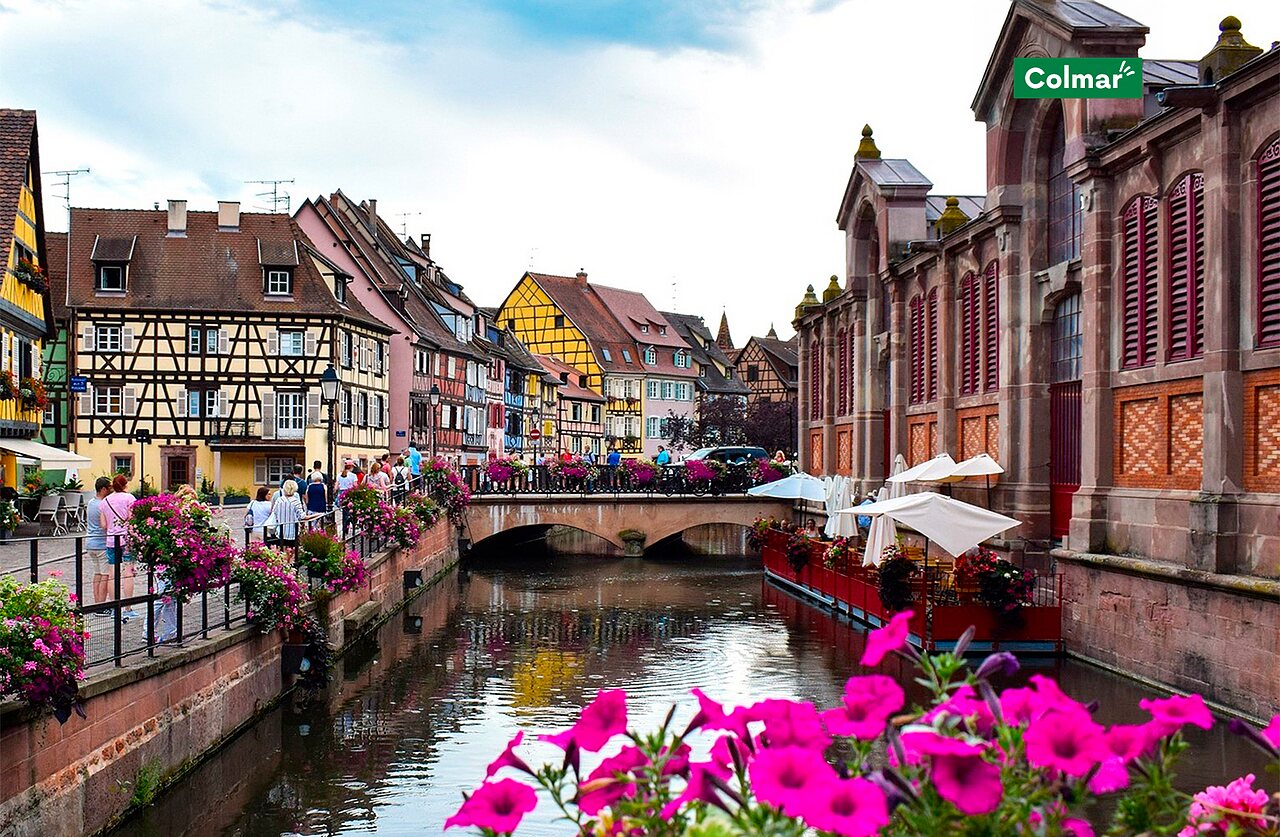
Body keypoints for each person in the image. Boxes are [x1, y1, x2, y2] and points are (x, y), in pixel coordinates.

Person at [100, 474, 138, 623]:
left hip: (111, 540)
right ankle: (128, 608)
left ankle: (115, 608)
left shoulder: (105, 501)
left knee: (112, 574)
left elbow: (103, 525)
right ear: (124, 485)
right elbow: (131, 517)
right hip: (127, 539)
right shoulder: (129, 498)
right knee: (128, 572)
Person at [85, 477, 112, 614]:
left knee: (97, 574)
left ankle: (97, 604)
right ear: (103, 489)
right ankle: (101, 606)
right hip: (101, 543)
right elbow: (105, 525)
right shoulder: (103, 505)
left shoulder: (91, 502)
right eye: (109, 488)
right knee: (105, 575)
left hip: (90, 542)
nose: (111, 490)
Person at [269, 480, 305, 545]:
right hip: (293, 531)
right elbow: (302, 516)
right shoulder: (295, 501)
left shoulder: (279, 500)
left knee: (282, 550)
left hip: (280, 531)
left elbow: (274, 512)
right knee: (292, 550)